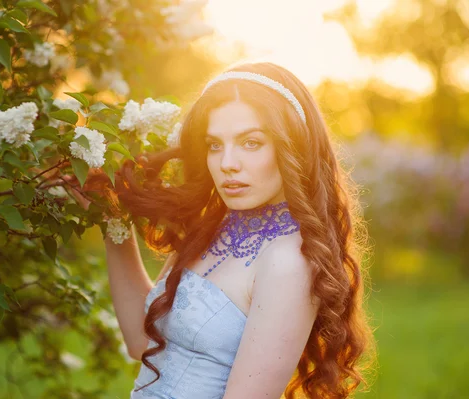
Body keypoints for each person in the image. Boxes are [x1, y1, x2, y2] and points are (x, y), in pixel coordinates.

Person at [66, 61, 375, 398]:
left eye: (251, 143)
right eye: (215, 145)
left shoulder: (288, 261)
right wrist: (114, 222)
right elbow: (141, 343)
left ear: (292, 147)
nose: (227, 162)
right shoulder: (214, 227)